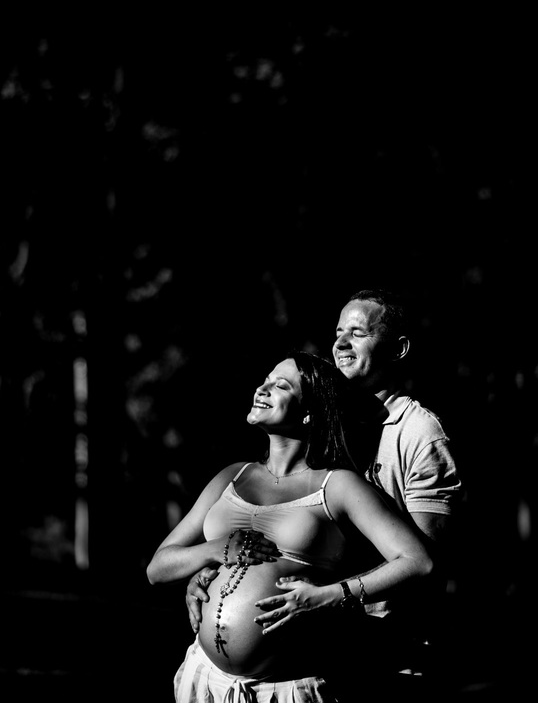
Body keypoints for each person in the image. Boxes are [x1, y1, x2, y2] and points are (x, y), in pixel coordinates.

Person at [186, 290, 462, 696]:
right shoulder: (324, 422)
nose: (341, 343)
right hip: (317, 652)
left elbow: (423, 567)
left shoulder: (419, 434)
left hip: (385, 658)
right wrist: (220, 576)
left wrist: (329, 598)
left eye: (358, 333)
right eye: (338, 332)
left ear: (398, 349)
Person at [147, 351, 434, 702]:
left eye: (281, 386)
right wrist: (214, 551)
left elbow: (418, 561)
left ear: (310, 411)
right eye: (265, 381)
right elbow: (157, 569)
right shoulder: (232, 476)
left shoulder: (337, 485)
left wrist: (330, 596)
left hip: (288, 687)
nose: (262, 389)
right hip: (205, 678)